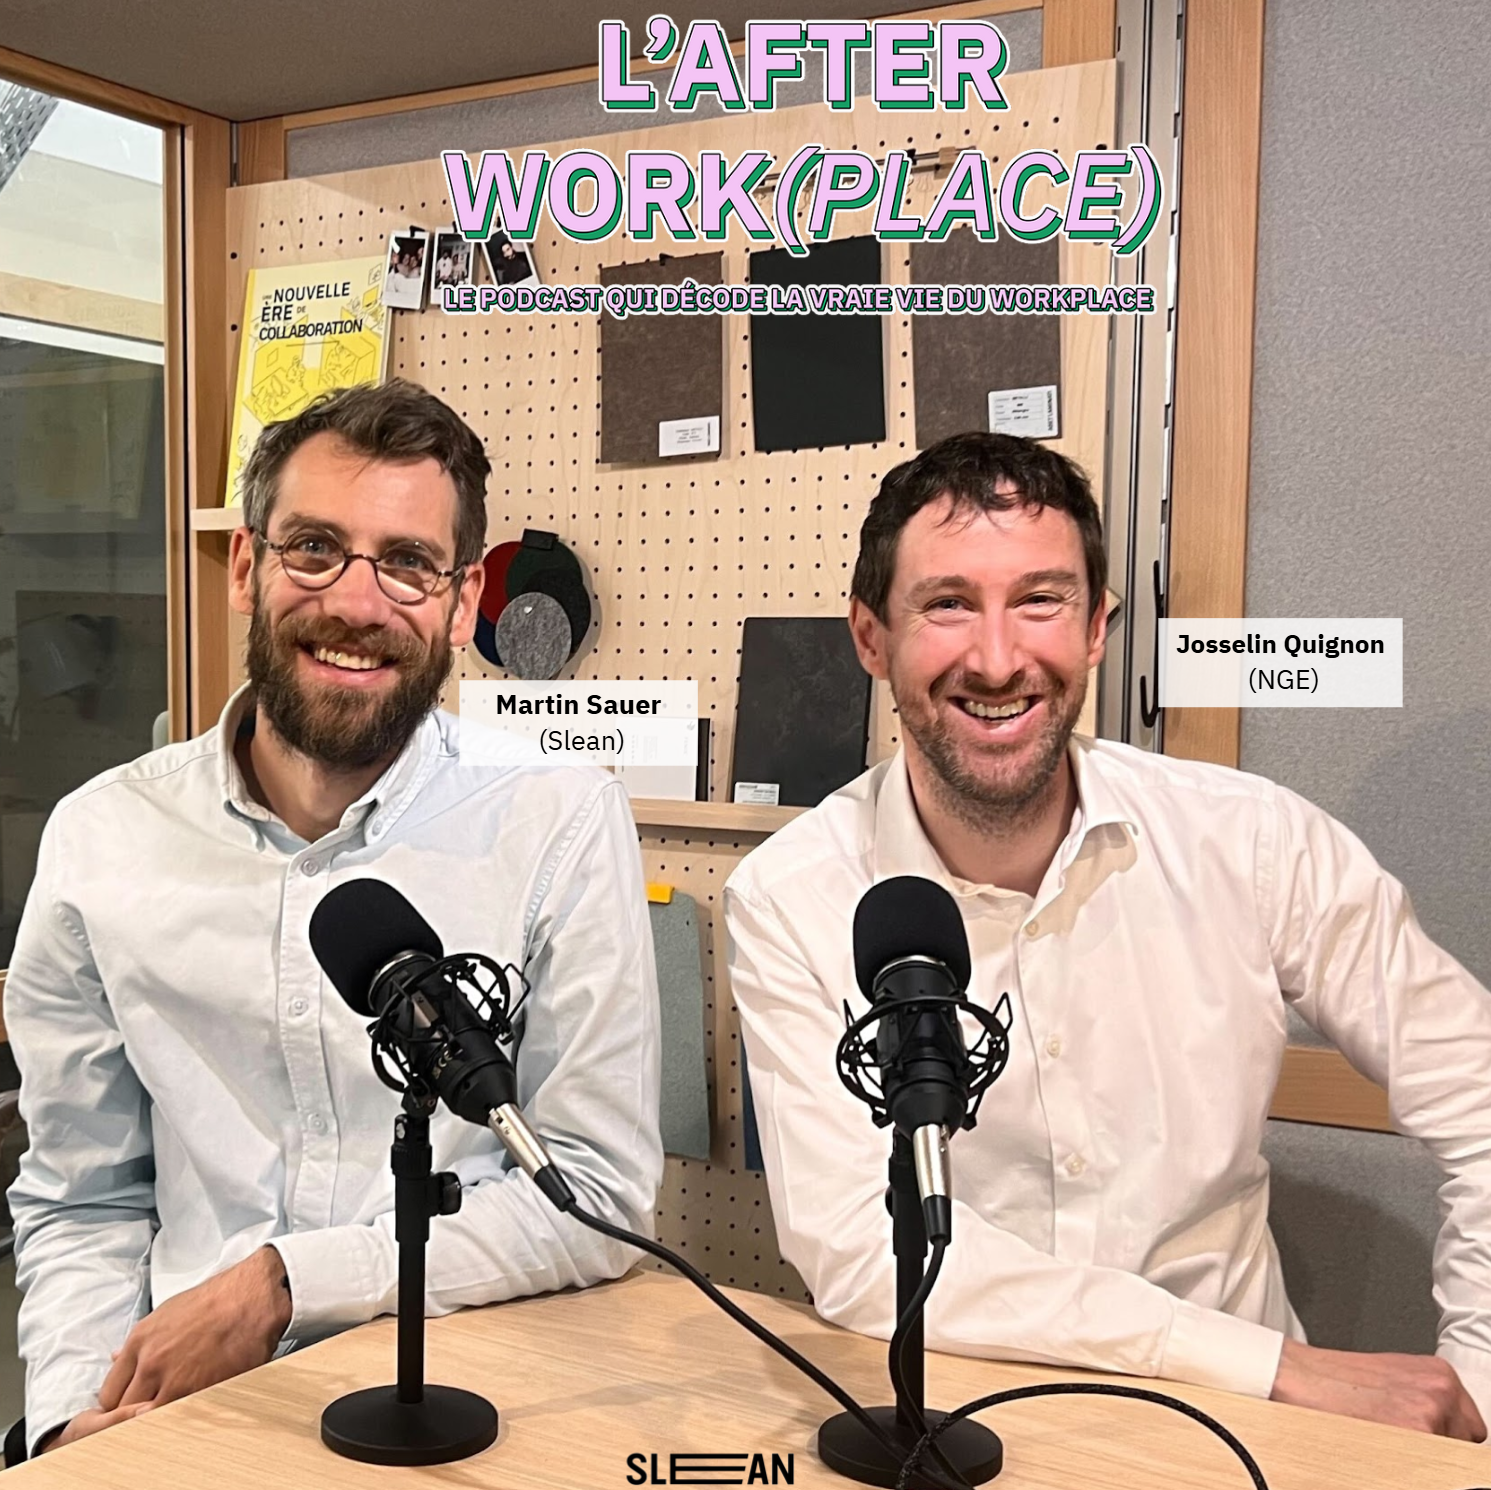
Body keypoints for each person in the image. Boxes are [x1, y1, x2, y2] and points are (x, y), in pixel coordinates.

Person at [723, 431, 1491, 1443]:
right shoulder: (788, 896)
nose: (997, 658)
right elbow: (865, 1256)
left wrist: (1477, 1372)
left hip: (1253, 1430)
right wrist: (1259, 1358)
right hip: (962, 1426)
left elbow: (1478, 1086)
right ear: (871, 637)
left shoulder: (1255, 840)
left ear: (1096, 626)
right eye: (948, 603)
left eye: (1040, 599)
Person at [6, 379, 662, 1458]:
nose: (356, 603)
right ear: (245, 566)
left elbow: (590, 1191)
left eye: (406, 562)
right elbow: (82, 1198)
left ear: (460, 605)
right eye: (313, 547)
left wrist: (285, 1282)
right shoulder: (99, 838)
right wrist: (87, 1413)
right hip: (183, 1410)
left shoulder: (556, 815)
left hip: (471, 1401)